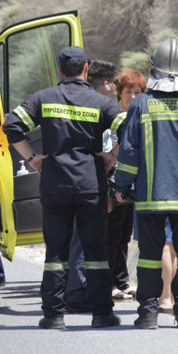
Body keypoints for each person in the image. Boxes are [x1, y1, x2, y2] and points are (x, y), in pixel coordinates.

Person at [3, 46, 123, 330]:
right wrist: (112, 155)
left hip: (55, 184)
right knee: (95, 251)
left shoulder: (44, 98)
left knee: (56, 253)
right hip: (89, 184)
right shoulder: (100, 102)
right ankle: (102, 314)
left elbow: (11, 125)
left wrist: (32, 159)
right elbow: (129, 127)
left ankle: (54, 315)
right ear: (86, 69)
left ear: (60, 70)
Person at [115, 38, 178, 329]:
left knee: (149, 255)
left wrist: (122, 185)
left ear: (154, 66)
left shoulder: (142, 105)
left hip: (150, 195)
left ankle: (148, 314)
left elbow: (129, 152)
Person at [65, 59, 118, 312]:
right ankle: (79, 292)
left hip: (63, 179)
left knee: (75, 239)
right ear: (107, 84)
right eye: (115, 83)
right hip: (89, 180)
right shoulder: (103, 107)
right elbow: (125, 132)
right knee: (85, 240)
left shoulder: (69, 101)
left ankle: (76, 289)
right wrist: (113, 156)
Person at [106, 70, 146, 300]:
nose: (132, 97)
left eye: (137, 92)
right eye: (128, 92)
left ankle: (122, 281)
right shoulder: (114, 118)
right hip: (113, 183)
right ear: (119, 94)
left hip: (132, 186)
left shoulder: (140, 118)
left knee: (124, 235)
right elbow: (108, 152)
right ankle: (110, 281)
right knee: (111, 234)